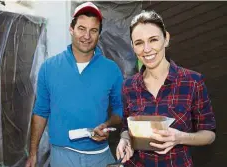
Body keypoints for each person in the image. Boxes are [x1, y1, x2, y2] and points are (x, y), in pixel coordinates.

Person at [25, 2, 123, 167]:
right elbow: (41, 112)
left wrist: (107, 125)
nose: (87, 36)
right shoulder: (49, 68)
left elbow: (119, 111)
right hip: (62, 156)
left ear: (99, 34)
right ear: (71, 29)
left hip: (99, 156)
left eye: (93, 30)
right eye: (81, 28)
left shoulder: (111, 70)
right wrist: (33, 154)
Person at [116, 10, 216, 167]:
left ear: (166, 39)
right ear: (133, 47)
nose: (146, 49)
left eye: (153, 39)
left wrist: (180, 137)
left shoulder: (192, 81)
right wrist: (125, 139)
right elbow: (125, 127)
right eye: (139, 43)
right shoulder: (128, 87)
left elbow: (209, 134)